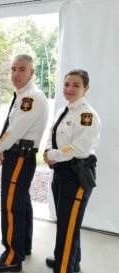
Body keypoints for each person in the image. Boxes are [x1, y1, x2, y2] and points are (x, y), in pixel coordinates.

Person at [0, 54, 49, 272]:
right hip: (18, 154)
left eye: (22, 69)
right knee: (21, 203)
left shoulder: (31, 97)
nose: (15, 74)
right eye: (13, 69)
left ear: (32, 72)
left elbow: (15, 130)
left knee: (11, 206)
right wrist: (3, 148)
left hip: (20, 157)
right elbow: (12, 126)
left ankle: (12, 256)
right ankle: (24, 245)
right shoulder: (22, 95)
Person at [43, 69, 102, 273]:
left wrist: (53, 155)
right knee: (67, 222)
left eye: (76, 85)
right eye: (67, 84)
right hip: (62, 172)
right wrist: (48, 152)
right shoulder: (65, 109)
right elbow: (54, 136)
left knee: (67, 227)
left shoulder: (86, 115)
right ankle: (71, 260)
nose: (69, 89)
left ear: (86, 88)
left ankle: (64, 267)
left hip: (76, 176)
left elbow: (80, 148)